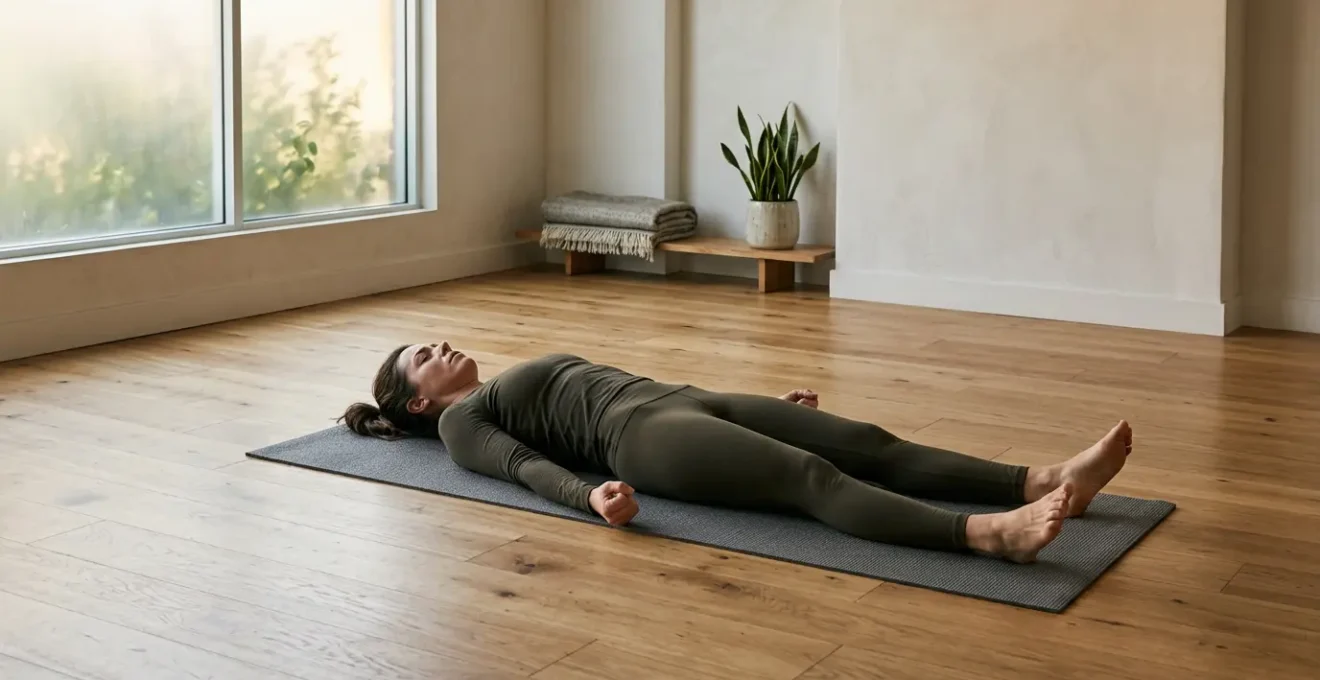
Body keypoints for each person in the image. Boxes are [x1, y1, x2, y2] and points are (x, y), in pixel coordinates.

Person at [341, 343, 1132, 563]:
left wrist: (764, 411)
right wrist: (587, 498)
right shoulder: (457, 426)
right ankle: (990, 534)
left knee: (862, 441)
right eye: (423, 356)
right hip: (644, 439)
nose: (441, 347)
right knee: (812, 479)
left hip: (680, 399)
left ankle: (1044, 477)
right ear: (417, 399)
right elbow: (522, 469)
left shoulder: (489, 383)